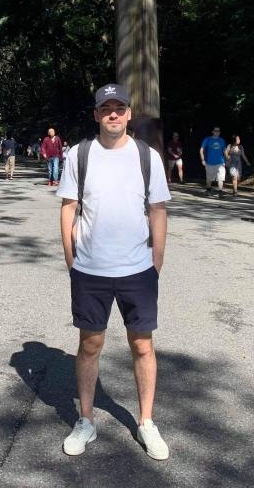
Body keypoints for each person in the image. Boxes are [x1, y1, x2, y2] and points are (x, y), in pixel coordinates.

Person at [57, 83, 171, 460]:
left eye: (119, 108)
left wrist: (156, 261)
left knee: (142, 344)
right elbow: (69, 207)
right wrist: (71, 259)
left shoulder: (146, 156)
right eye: (105, 108)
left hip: (138, 268)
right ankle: (86, 420)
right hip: (90, 268)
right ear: (95, 114)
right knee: (90, 344)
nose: (113, 114)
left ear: (128, 113)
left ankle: (146, 422)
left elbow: (157, 209)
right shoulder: (79, 154)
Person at [199, 127, 226, 198]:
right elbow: (201, 150)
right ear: (212, 132)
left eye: (218, 131)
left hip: (220, 162)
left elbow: (224, 150)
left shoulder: (222, 140)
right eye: (215, 131)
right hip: (209, 162)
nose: (217, 132)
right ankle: (208, 189)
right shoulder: (207, 139)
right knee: (209, 179)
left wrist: (227, 159)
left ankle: (220, 192)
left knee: (221, 178)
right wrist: (203, 160)